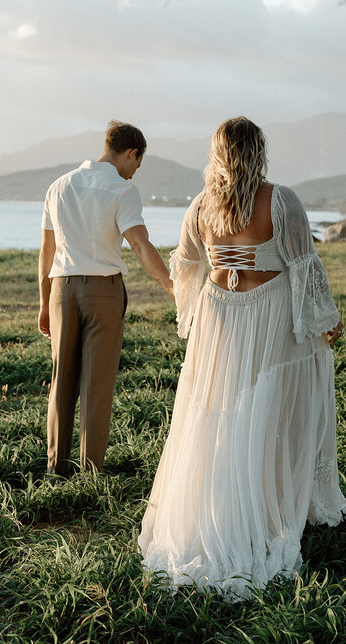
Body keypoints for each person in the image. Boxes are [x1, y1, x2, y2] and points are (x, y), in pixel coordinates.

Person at [138, 116, 346, 602]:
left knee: (219, 412)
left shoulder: (200, 205)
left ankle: (225, 503)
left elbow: (186, 264)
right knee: (273, 409)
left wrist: (197, 303)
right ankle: (268, 506)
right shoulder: (281, 200)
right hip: (269, 318)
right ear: (258, 150)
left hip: (220, 320)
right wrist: (324, 321)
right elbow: (303, 264)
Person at [38, 120, 173, 476]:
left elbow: (46, 251)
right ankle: (90, 471)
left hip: (61, 289)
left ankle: (56, 468)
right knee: (96, 385)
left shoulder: (59, 186)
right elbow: (141, 244)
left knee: (61, 380)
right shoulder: (121, 190)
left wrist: (43, 303)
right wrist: (172, 286)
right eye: (137, 165)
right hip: (103, 292)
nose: (133, 175)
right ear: (132, 153)